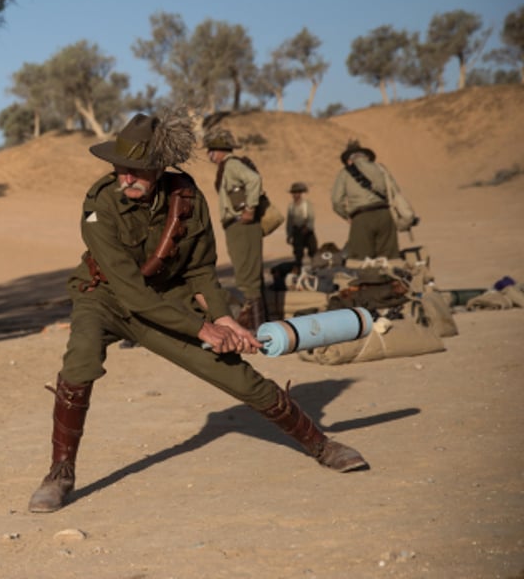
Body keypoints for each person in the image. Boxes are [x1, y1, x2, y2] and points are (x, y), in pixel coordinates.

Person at [27, 111, 367, 514]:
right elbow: (132, 293)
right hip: (104, 297)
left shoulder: (186, 200)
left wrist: (223, 318)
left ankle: (321, 445)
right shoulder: (98, 206)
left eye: (137, 170)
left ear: (158, 167)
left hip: (168, 298)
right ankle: (60, 472)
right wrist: (201, 328)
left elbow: (201, 270)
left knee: (236, 374)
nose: (127, 178)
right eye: (120, 169)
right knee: (80, 358)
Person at [204, 129, 266, 330]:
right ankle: (260, 322)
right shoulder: (226, 166)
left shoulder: (231, 165)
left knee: (247, 275)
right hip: (236, 226)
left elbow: (254, 180)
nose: (209, 155)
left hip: (242, 225)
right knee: (247, 273)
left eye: (210, 150)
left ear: (218, 150)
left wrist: (250, 209)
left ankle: (259, 327)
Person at [330, 140, 401, 261]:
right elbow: (395, 192)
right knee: (390, 261)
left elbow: (336, 201)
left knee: (361, 262)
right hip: (385, 216)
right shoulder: (381, 168)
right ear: (365, 155)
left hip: (361, 218)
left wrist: (347, 216)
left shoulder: (344, 173)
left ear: (349, 159)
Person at [286, 181, 319, 274]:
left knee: (313, 251)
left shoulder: (307, 204)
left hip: (307, 231)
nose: (295, 195)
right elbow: (289, 222)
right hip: (297, 232)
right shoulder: (291, 206)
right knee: (298, 254)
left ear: (301, 193)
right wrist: (289, 234)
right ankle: (298, 272)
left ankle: (316, 271)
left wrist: (308, 227)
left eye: (297, 192)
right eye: (294, 193)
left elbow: (311, 217)